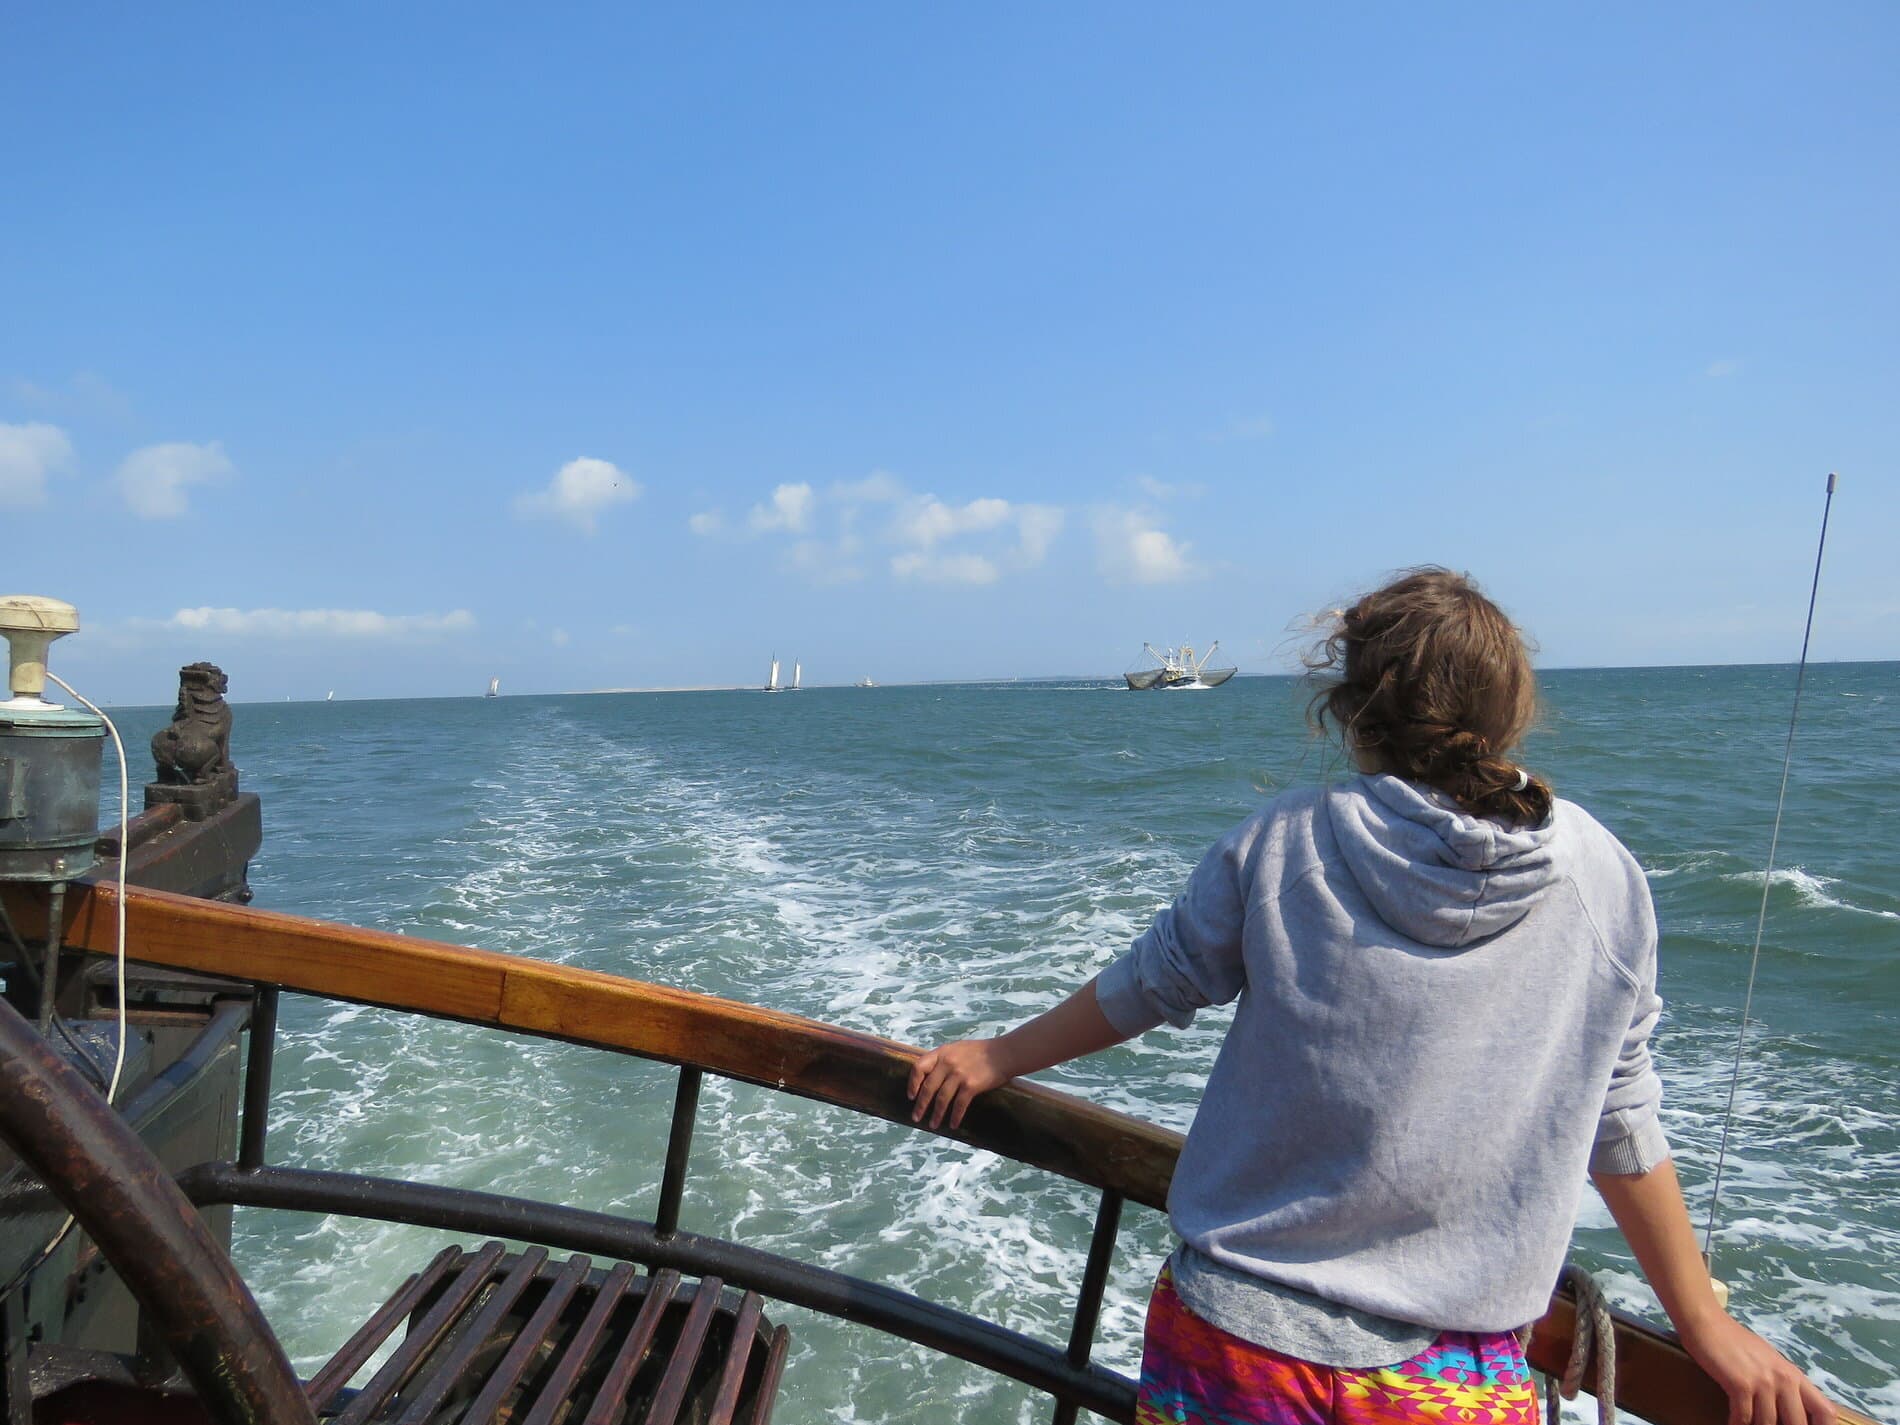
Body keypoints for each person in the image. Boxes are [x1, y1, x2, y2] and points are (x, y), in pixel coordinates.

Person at [908, 568, 1834, 1425]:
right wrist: (1703, 1320)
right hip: (1446, 1381)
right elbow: (1619, 1114)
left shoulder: (1284, 843)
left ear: (1352, 711)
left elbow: (1153, 980)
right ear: (1510, 712)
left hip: (1236, 1345)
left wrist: (995, 1057)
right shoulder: (1603, 877)